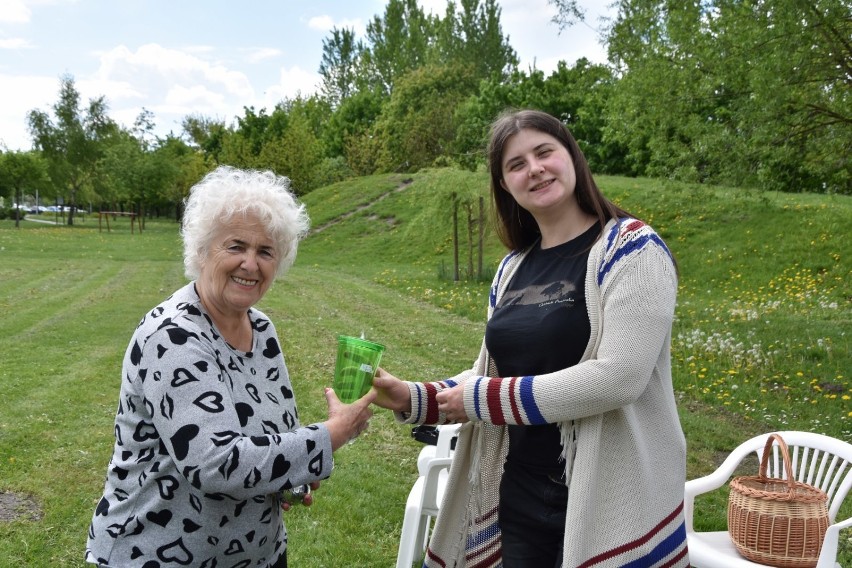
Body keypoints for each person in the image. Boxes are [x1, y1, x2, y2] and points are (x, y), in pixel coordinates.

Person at [373, 109, 690, 568]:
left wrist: (483, 400)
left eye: (545, 152)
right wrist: (414, 396)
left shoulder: (631, 249)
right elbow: (491, 376)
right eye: (516, 164)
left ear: (572, 158)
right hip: (519, 494)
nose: (534, 168)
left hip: (607, 498)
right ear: (505, 185)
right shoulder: (512, 268)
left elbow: (620, 378)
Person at [85, 166, 375, 568]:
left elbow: (271, 433)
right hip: (156, 553)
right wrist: (330, 435)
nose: (250, 264)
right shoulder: (172, 336)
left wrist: (287, 477)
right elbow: (216, 464)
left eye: (266, 251)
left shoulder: (261, 328)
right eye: (236, 246)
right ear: (202, 250)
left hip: (258, 553)